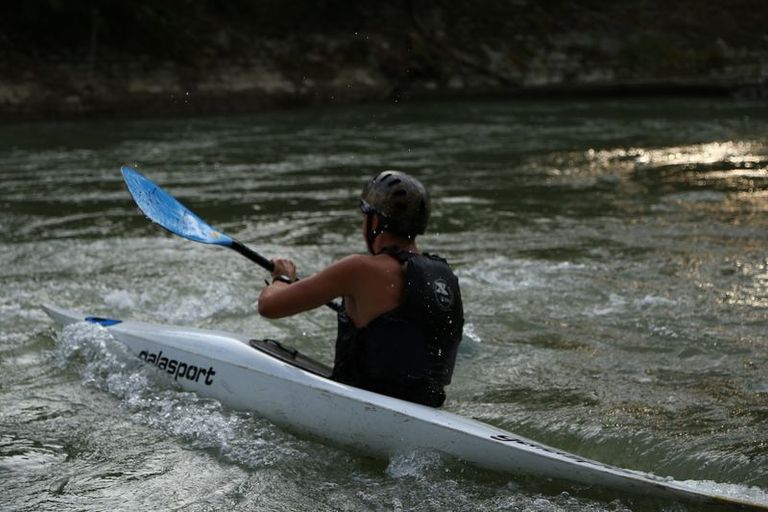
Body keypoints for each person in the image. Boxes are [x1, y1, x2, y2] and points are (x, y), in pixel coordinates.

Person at [258, 170, 463, 407]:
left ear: (374, 221)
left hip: (366, 406)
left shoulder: (359, 268)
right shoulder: (444, 275)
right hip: (430, 406)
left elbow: (269, 306)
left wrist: (282, 277)